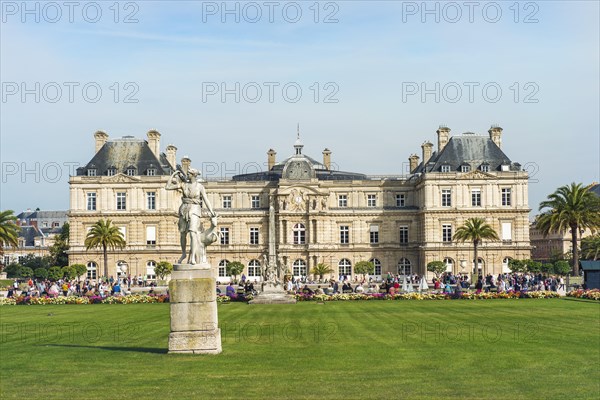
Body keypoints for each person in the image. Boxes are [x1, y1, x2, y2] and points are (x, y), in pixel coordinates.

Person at [166, 167, 216, 265]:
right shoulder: (183, 184)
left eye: (189, 173)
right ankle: (184, 253)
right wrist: (173, 174)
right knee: (183, 234)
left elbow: (206, 199)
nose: (187, 175)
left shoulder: (200, 186)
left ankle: (192, 256)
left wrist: (211, 211)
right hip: (184, 209)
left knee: (193, 233)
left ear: (193, 175)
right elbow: (167, 187)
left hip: (195, 210)